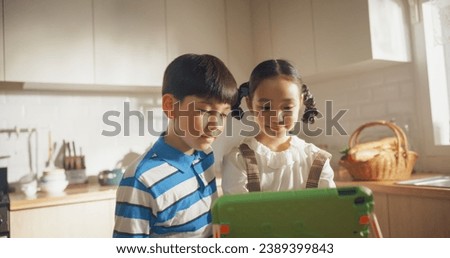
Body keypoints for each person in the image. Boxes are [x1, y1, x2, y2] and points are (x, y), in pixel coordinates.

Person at [113, 54, 238, 237]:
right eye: (204, 111)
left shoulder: (204, 156)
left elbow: (209, 227)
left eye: (224, 114)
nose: (216, 125)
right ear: (170, 106)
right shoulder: (141, 180)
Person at [221, 59, 335, 194]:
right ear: (250, 104)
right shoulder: (238, 161)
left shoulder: (317, 160)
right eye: (266, 107)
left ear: (301, 102)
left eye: (287, 107)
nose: (276, 117)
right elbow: (238, 212)